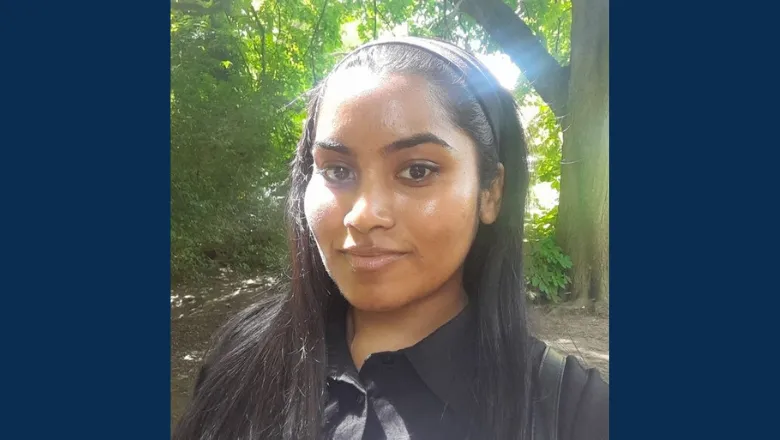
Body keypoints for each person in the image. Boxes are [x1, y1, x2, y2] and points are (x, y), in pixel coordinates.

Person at [173, 36, 608, 440]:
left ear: (490, 192)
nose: (363, 216)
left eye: (417, 171)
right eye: (336, 171)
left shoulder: (575, 413)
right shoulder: (244, 356)